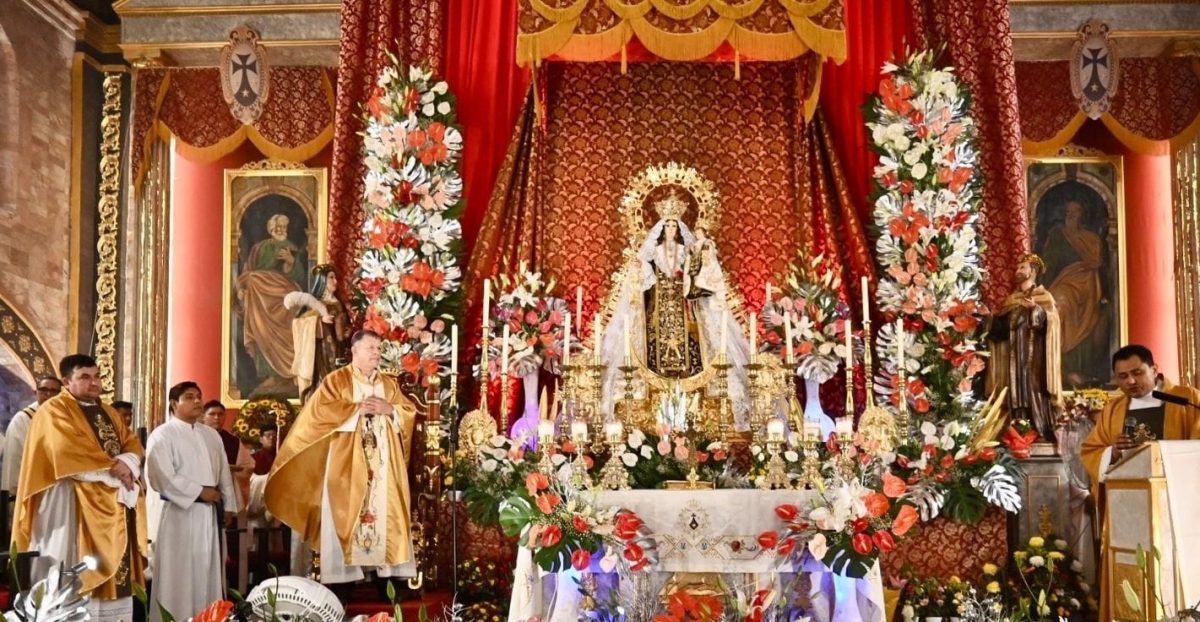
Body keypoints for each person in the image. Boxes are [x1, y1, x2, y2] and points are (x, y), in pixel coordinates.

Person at [265, 329, 417, 585]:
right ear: (355, 351)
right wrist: (355, 410)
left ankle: (386, 582)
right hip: (346, 464)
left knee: (385, 514)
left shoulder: (388, 384)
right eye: (371, 348)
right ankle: (342, 583)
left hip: (383, 467)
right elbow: (319, 413)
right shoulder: (336, 380)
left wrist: (390, 409)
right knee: (343, 512)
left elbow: (407, 411)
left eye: (379, 349)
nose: (377, 353)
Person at [12, 355, 146, 621]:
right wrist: (117, 469)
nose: (94, 383)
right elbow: (66, 451)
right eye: (85, 377)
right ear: (66, 381)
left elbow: (131, 441)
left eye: (97, 376)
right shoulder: (53, 410)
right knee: (68, 565)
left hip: (111, 499)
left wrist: (129, 463)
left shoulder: (108, 411)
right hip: (68, 501)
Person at [1080, 345, 1200, 621]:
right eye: (1122, 376)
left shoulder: (1185, 399)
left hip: (1177, 507)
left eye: (1137, 372)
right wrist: (1113, 452)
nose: (1131, 381)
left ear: (1154, 369)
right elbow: (1091, 450)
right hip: (1128, 512)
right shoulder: (1113, 409)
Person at [146, 382, 237, 622]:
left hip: (209, 515)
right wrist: (198, 492)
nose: (197, 401)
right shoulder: (162, 435)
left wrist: (229, 505)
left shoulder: (211, 435)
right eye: (189, 397)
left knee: (208, 570)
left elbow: (224, 473)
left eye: (199, 396)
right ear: (174, 404)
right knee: (179, 575)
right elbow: (161, 476)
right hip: (179, 514)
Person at [986, 254, 1063, 442]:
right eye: (1018, 267)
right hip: (1012, 356)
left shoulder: (1043, 296)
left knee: (1033, 390)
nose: (1018, 271)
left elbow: (1052, 322)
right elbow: (1000, 330)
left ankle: (1038, 428)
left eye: (1023, 267)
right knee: (1013, 390)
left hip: (1034, 357)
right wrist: (991, 319)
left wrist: (1035, 310)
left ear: (1033, 272)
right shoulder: (1012, 300)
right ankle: (1016, 427)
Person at [236, 213, 306, 395]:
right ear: (271, 229)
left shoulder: (290, 247)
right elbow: (248, 271)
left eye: (284, 227)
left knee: (286, 333)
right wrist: (242, 287)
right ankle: (269, 376)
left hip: (282, 296)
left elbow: (299, 276)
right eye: (278, 227)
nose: (281, 230)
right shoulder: (259, 248)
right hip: (260, 299)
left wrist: (291, 262)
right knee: (261, 332)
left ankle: (288, 374)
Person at [1043, 200, 1105, 384]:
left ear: (1082, 215)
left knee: (1085, 318)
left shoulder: (1091, 238)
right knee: (1057, 307)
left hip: (1087, 285)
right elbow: (1047, 262)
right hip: (1062, 282)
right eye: (1068, 211)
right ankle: (1059, 367)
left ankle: (1078, 370)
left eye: (1075, 212)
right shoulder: (1057, 235)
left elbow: (1097, 263)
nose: (1070, 215)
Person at [284, 264, 351, 402]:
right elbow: (298, 324)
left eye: (335, 277)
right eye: (331, 278)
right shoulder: (314, 304)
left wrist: (347, 331)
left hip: (339, 351)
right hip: (320, 354)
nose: (335, 281)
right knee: (322, 386)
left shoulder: (339, 303)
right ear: (322, 281)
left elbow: (344, 325)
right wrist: (319, 321)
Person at [2, 376, 61, 494]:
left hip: (58, 484)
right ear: (35, 392)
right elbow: (15, 457)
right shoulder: (23, 419)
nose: (48, 394)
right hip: (31, 485)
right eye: (43, 390)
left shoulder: (64, 416)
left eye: (54, 391)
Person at [202, 400, 254, 511]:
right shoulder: (197, 437)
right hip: (203, 489)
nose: (216, 417)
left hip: (229, 486)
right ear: (203, 416)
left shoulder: (233, 441)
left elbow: (247, 466)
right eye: (212, 414)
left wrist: (230, 469)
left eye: (220, 414)